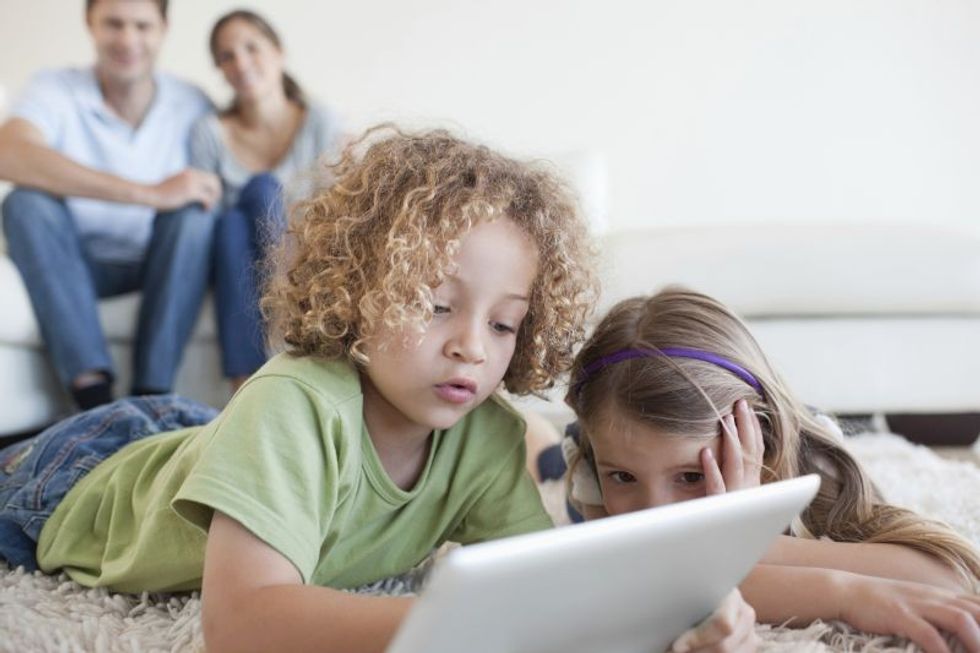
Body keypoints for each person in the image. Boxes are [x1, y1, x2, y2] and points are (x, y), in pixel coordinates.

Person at [0, 128, 757, 653]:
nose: (470, 343)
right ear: (361, 290)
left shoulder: (485, 437)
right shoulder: (295, 402)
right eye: (435, 305)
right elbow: (243, 624)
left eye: (503, 324)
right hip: (80, 474)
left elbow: (563, 588)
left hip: (210, 443)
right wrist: (464, 628)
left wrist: (680, 617)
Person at [553, 286, 980, 653]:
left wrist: (752, 534)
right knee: (545, 460)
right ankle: (538, 438)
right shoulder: (595, 450)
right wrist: (843, 593)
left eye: (690, 476)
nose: (655, 512)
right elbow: (644, 589)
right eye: (624, 478)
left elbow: (947, 577)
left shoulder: (810, 461)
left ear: (758, 444)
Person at [0, 0, 220, 410]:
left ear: (163, 28)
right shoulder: (55, 87)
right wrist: (149, 193)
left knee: (195, 216)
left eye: (142, 26)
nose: (127, 40)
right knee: (24, 203)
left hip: (159, 265)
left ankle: (151, 398)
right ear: (90, 23)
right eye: (113, 24)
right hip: (73, 262)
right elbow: (8, 153)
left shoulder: (192, 103)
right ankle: (94, 401)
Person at [189, 9, 343, 392]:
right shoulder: (209, 133)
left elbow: (339, 209)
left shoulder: (320, 121)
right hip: (234, 268)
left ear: (278, 52)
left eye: (251, 48)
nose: (240, 63)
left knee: (255, 196)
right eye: (227, 56)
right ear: (220, 70)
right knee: (233, 220)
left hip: (303, 256)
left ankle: (246, 381)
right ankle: (273, 342)